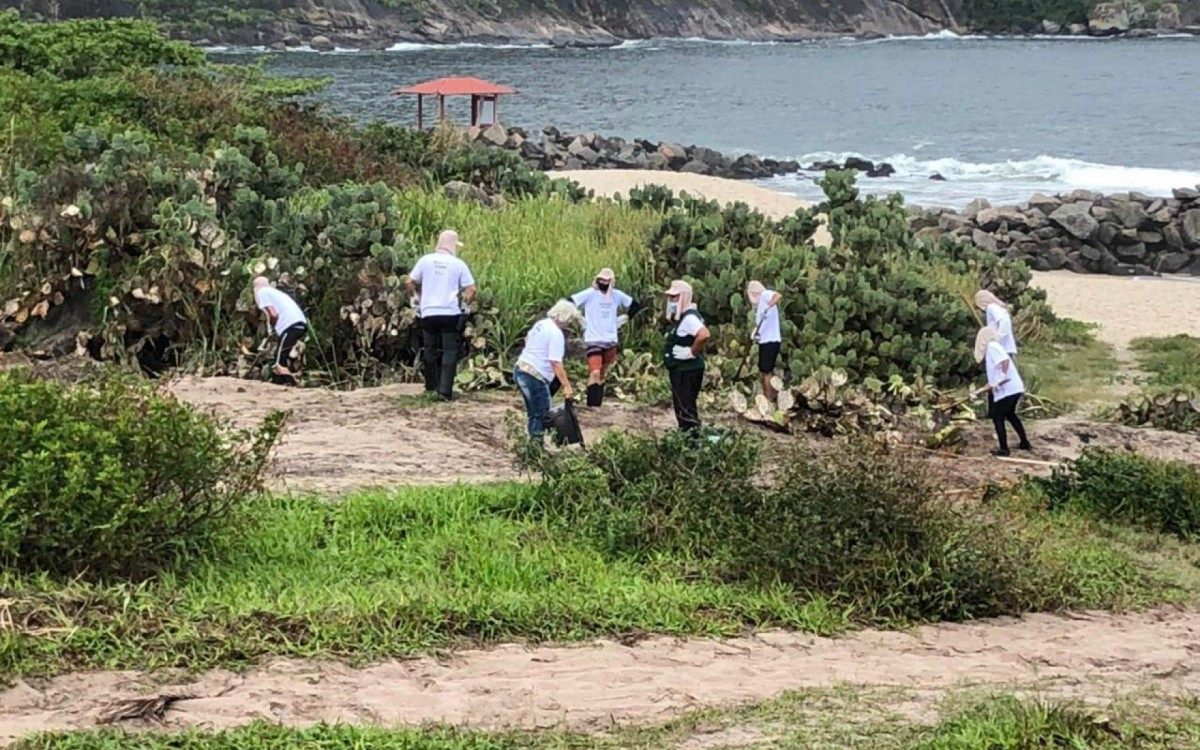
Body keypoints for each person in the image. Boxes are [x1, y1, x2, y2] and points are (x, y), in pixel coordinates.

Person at [407, 230, 477, 400]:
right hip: (450, 312)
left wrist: (415, 298)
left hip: (428, 311)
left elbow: (409, 281)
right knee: (449, 351)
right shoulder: (458, 264)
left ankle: (431, 386)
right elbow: (471, 289)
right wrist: (465, 304)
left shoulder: (425, 260)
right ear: (453, 245)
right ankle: (445, 391)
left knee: (429, 348)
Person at [571, 267, 641, 408]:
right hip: (593, 338)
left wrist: (626, 318)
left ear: (611, 281)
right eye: (601, 280)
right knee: (595, 372)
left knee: (602, 373)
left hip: (610, 339)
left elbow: (635, 305)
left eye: (606, 280)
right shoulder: (590, 294)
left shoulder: (616, 295)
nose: (603, 282)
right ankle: (591, 405)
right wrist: (578, 317)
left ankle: (598, 405)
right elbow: (569, 301)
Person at [514, 300, 581, 443]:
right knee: (542, 413)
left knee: (534, 413)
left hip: (521, 369)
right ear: (565, 318)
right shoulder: (556, 334)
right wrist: (567, 386)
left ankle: (532, 444)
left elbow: (527, 339)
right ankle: (536, 447)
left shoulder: (542, 324)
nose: (569, 324)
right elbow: (556, 362)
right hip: (534, 376)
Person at [975, 326, 1031, 457]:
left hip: (1008, 387)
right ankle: (1024, 442)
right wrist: (987, 386)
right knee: (1010, 414)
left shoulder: (992, 346)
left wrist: (1000, 378)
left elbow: (1004, 362)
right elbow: (997, 372)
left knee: (997, 416)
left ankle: (1004, 449)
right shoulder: (993, 348)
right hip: (1012, 387)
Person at [662, 279, 710, 431]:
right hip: (681, 370)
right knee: (684, 407)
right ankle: (689, 438)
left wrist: (691, 352)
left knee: (686, 408)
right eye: (670, 297)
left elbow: (704, 335)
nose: (671, 300)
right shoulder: (682, 316)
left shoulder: (689, 318)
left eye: (675, 297)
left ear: (684, 296)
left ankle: (691, 441)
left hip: (687, 371)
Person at [253, 276, 308, 386]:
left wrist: (273, 327)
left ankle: (291, 383)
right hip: (299, 324)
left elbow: (273, 314)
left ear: (255, 287)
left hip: (291, 325)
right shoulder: (276, 293)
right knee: (281, 355)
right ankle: (277, 383)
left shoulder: (262, 292)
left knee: (279, 362)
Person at [746, 280, 783, 401]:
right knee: (765, 369)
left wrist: (769, 305)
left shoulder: (765, 295)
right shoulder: (758, 307)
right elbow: (764, 324)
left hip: (770, 341)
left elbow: (778, 296)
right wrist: (756, 334)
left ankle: (768, 398)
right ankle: (772, 396)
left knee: (766, 371)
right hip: (765, 340)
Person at [975, 290, 1017, 359]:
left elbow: (1003, 321)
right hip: (1005, 347)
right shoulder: (998, 307)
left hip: (1002, 347)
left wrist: (998, 337)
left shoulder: (992, 307)